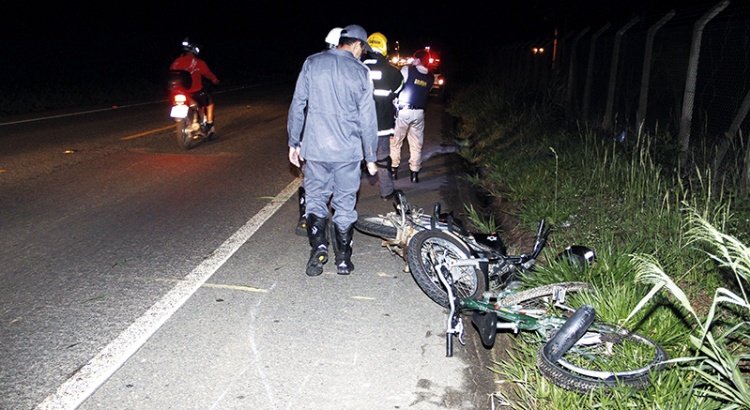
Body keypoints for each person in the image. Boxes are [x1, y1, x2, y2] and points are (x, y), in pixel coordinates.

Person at [288, 24, 378, 276]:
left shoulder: (312, 63)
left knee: (316, 200)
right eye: (363, 49)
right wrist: (371, 156)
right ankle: (343, 259)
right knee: (345, 204)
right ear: (357, 44)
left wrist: (294, 142)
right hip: (347, 152)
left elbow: (298, 105)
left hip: (315, 149)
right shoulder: (360, 71)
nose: (363, 54)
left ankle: (319, 247)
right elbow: (367, 118)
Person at [296, 26, 345, 237]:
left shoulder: (313, 63)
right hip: (341, 137)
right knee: (338, 182)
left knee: (312, 180)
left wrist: (296, 138)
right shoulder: (351, 67)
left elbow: (300, 103)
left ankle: (308, 219)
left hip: (315, 135)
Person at [363, 32, 404, 200]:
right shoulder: (393, 72)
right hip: (382, 124)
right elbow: (398, 90)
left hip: (358, 124)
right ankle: (386, 192)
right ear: (384, 47)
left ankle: (345, 195)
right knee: (382, 157)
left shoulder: (357, 67)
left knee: (351, 160)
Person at [390, 49, 434, 183]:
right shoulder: (431, 77)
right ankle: (414, 173)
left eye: (414, 59)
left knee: (395, 142)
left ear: (418, 60)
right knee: (416, 144)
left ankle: (394, 170)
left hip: (404, 111)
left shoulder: (407, 70)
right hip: (419, 113)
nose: (412, 61)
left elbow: (397, 85)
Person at [170, 38, 220, 131]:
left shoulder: (176, 62)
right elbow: (208, 74)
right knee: (209, 100)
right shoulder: (198, 62)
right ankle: (209, 122)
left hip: (178, 91)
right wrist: (215, 81)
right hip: (195, 91)